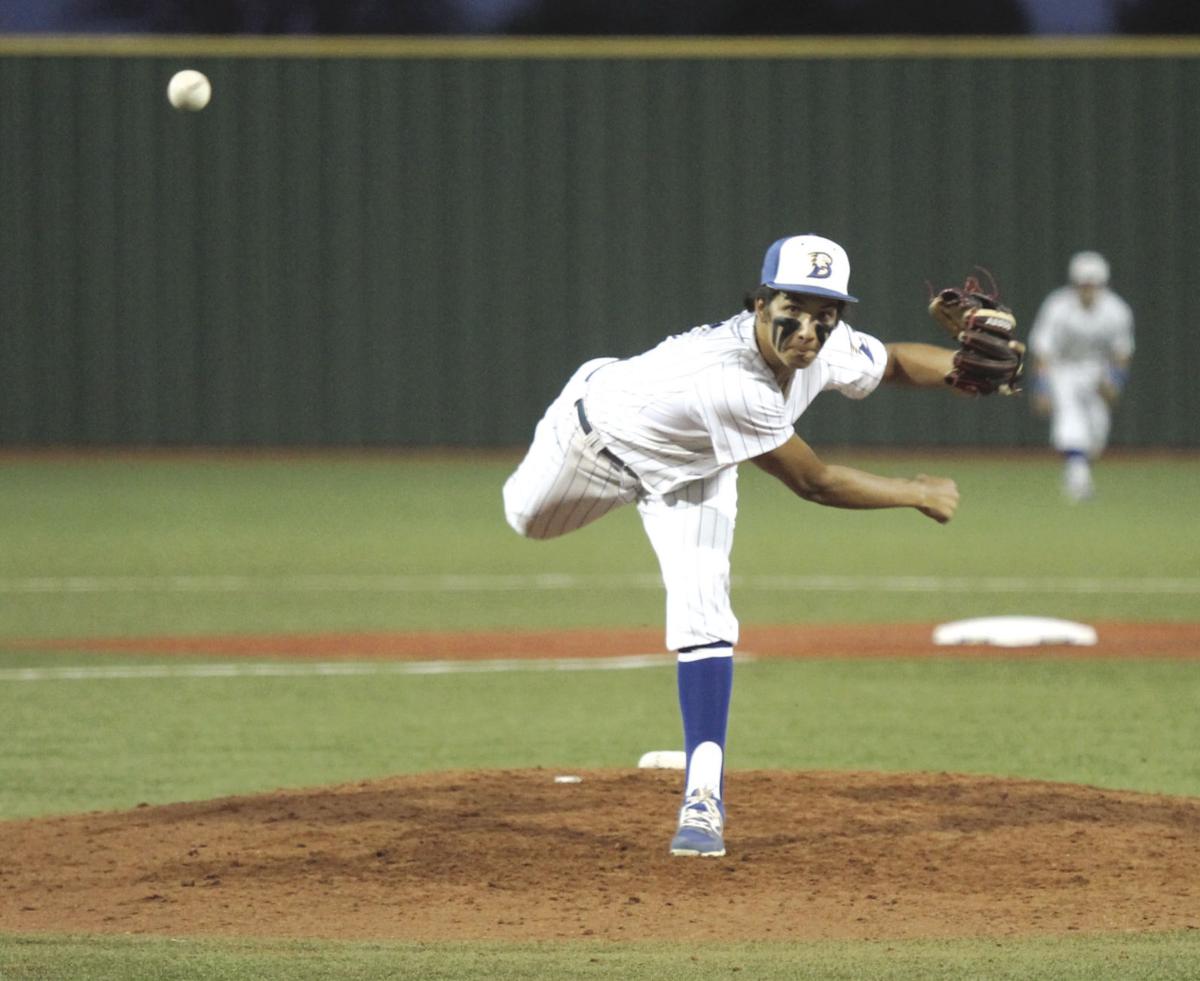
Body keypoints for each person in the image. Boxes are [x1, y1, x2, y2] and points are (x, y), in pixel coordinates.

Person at [502, 234, 987, 858]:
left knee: (705, 612)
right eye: (794, 307)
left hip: (696, 467)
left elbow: (891, 362)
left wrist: (966, 365)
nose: (810, 328)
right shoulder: (732, 380)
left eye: (826, 311)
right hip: (597, 446)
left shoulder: (828, 344)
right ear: (760, 303)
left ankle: (702, 802)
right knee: (526, 520)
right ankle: (591, 379)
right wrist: (914, 492)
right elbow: (813, 482)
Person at [1027, 251, 1134, 501]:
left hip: (1098, 369)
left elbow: (1122, 352)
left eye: (1093, 284)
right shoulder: (1057, 306)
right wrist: (1042, 387)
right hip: (1063, 368)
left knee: (1097, 431)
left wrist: (1115, 381)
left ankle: (1078, 470)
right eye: (1083, 284)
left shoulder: (1116, 310)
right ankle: (1078, 483)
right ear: (1074, 283)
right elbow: (1043, 350)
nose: (1088, 290)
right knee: (1070, 420)